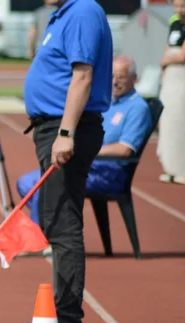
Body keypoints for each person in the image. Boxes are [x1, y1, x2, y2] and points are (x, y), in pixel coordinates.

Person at [15, 0, 112, 323]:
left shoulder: (83, 13)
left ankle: (67, 320)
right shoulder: (63, 14)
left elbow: (83, 77)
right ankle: (62, 315)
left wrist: (66, 133)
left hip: (65, 127)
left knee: (62, 221)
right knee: (58, 218)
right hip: (54, 126)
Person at [16, 55, 152, 222]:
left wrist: (87, 151)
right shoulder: (106, 101)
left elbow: (125, 149)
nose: (115, 81)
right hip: (88, 165)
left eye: (121, 77)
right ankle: (50, 229)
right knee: (25, 183)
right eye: (111, 76)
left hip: (107, 173)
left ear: (134, 78)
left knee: (45, 185)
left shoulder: (138, 107)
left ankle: (44, 236)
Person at [157, 0, 185, 185]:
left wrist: (168, 59)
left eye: (183, 5)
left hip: (182, 76)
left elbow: (182, 55)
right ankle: (171, 166)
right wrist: (164, 65)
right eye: (176, 5)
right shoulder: (174, 22)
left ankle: (182, 167)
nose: (179, 10)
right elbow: (169, 48)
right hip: (171, 76)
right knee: (167, 121)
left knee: (180, 120)